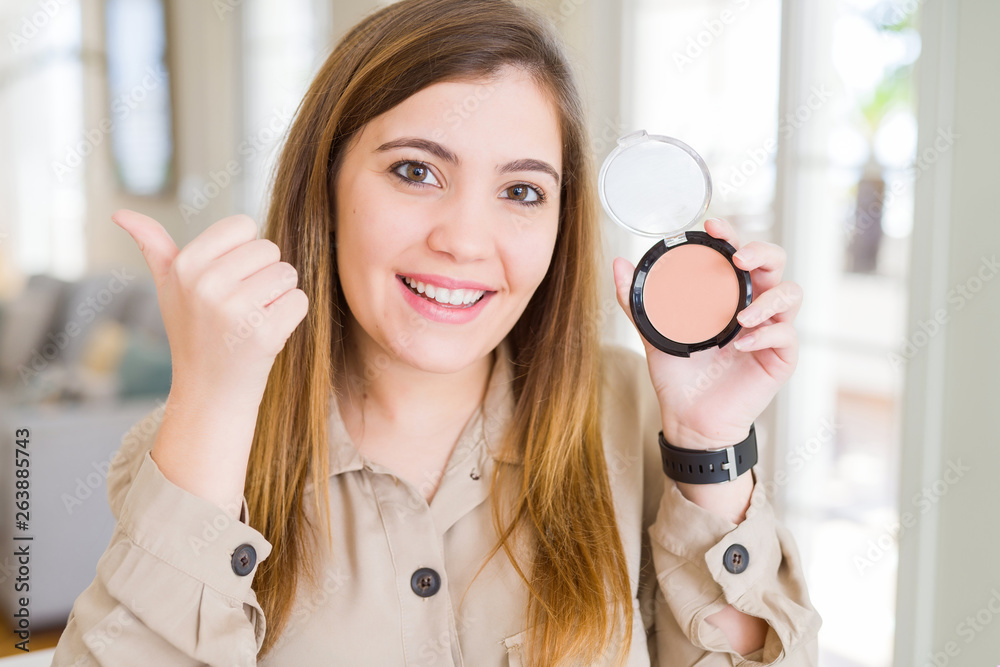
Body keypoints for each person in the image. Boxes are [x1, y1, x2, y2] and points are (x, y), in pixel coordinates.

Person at [52, 0, 821, 664]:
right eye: (416, 171)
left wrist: (705, 439)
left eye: (522, 190)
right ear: (326, 184)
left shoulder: (635, 418)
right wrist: (213, 405)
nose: (464, 240)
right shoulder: (202, 444)